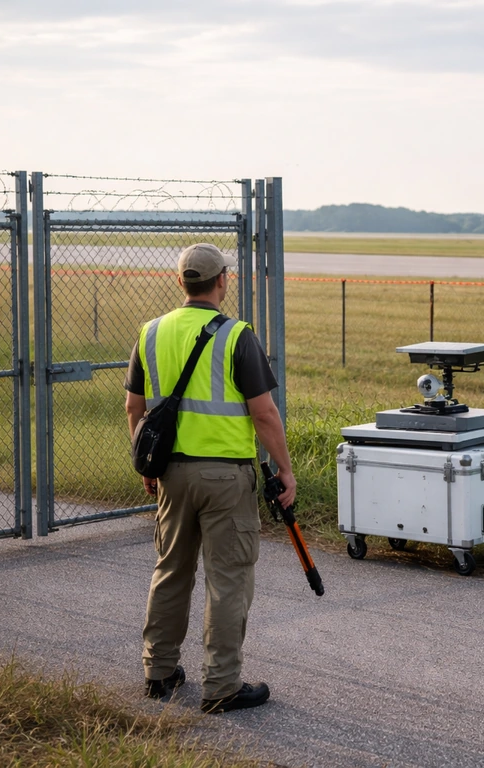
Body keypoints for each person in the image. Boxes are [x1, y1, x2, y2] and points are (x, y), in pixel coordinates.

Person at [124, 243, 296, 714]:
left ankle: (158, 674)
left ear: (181, 282)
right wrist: (284, 469)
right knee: (228, 579)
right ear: (224, 280)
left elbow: (134, 409)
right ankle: (221, 686)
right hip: (226, 477)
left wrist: (148, 465)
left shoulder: (151, 333)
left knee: (171, 571)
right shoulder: (238, 335)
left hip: (171, 474)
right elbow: (263, 413)